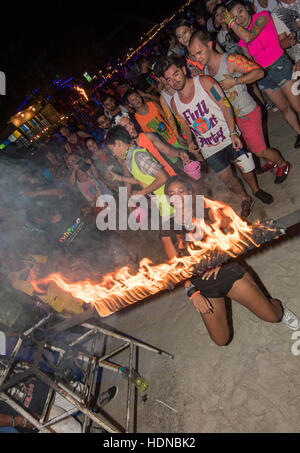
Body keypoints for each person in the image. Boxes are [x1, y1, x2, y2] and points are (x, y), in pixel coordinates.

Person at [160, 175, 300, 346]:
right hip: (201, 284)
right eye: (172, 193)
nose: (178, 197)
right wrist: (192, 291)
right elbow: (175, 264)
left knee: (272, 316)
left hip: (227, 271)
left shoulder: (208, 210)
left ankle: (278, 306)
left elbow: (230, 238)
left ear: (189, 192)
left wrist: (220, 261)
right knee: (221, 340)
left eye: (181, 191)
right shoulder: (167, 226)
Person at [159, 55, 259, 219]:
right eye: (169, 80)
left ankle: (256, 190)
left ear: (184, 70)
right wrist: (190, 141)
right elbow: (184, 124)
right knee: (227, 179)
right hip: (209, 147)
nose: (174, 81)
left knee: (246, 166)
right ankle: (245, 199)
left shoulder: (204, 82)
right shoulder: (175, 102)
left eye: (176, 74)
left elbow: (225, 105)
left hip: (227, 135)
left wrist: (233, 132)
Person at [189, 29, 291, 185]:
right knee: (251, 146)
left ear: (209, 45)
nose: (198, 58)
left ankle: (283, 164)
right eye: (194, 55)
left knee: (259, 150)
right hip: (234, 119)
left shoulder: (230, 60)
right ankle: (270, 161)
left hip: (247, 112)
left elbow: (259, 72)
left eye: (199, 52)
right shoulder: (206, 71)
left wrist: (235, 82)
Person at [224, 0, 300, 148]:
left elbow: (249, 37)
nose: (239, 18)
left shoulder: (262, 16)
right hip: (264, 76)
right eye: (234, 17)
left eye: (240, 11)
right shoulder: (241, 39)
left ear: (247, 8)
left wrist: (232, 24)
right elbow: (250, 60)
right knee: (284, 108)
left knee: (297, 104)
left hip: (280, 65)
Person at [105, 125, 174, 218]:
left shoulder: (138, 156)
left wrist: (141, 193)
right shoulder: (130, 159)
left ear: (118, 143)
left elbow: (163, 177)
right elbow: (141, 180)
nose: (113, 154)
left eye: (112, 150)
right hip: (164, 204)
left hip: (172, 201)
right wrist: (117, 177)